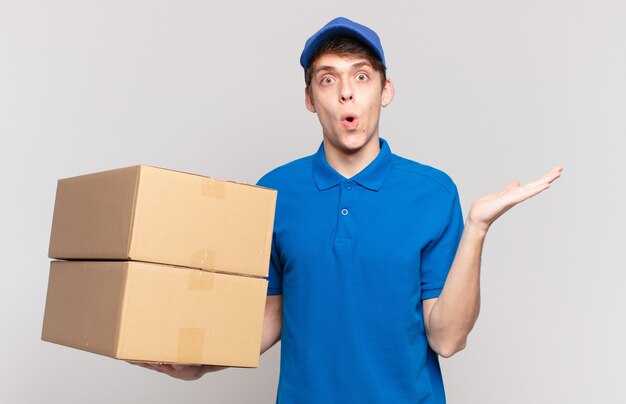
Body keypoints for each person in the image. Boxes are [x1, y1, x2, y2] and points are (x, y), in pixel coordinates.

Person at [135, 17, 562, 403]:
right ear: (309, 98)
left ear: (385, 90)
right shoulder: (272, 191)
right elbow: (272, 313)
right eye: (327, 79)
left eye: (361, 76)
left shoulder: (432, 192)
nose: (346, 93)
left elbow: (447, 338)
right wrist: (201, 363)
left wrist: (477, 229)